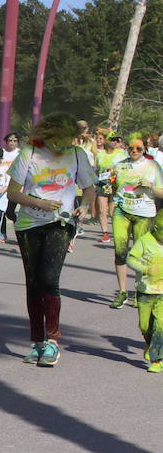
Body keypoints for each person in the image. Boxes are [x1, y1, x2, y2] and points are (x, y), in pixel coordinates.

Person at [5, 112, 97, 366]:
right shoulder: (30, 153)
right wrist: (38, 202)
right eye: (58, 140)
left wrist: (86, 206)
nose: (63, 145)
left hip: (61, 222)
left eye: (68, 139)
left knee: (49, 279)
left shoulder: (77, 155)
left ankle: (53, 341)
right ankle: (37, 342)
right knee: (34, 283)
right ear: (48, 136)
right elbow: (12, 193)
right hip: (29, 224)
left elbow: (89, 189)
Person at [105, 134, 163, 308]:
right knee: (120, 252)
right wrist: (111, 201)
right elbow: (112, 187)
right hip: (122, 212)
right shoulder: (120, 165)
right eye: (131, 148)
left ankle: (139, 292)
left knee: (140, 254)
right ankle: (122, 292)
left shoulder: (153, 166)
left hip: (144, 213)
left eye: (138, 148)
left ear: (144, 148)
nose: (134, 151)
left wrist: (150, 186)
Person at [126, 213, 163, 372]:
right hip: (145, 291)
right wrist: (145, 269)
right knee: (144, 325)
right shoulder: (145, 240)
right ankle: (149, 345)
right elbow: (130, 260)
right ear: (156, 228)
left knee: (160, 325)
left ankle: (157, 360)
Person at [94, 133, 125, 244]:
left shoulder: (120, 155)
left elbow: (124, 170)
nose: (113, 142)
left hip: (114, 185)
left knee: (112, 212)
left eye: (114, 140)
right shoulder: (100, 154)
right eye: (111, 139)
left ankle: (118, 231)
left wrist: (114, 174)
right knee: (102, 211)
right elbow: (96, 169)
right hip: (102, 184)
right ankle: (105, 234)